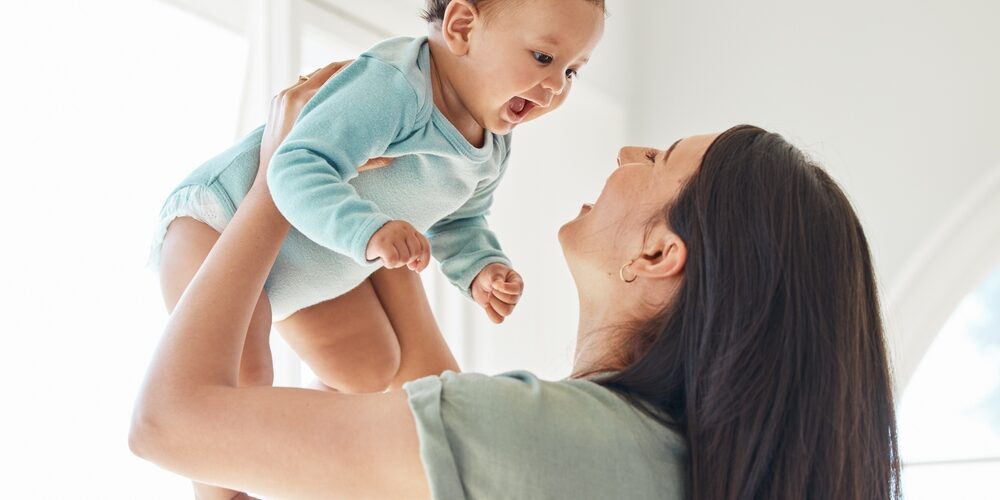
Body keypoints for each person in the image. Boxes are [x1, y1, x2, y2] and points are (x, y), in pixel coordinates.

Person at [130, 64, 901, 499]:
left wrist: (276, 178)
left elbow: (170, 425)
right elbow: (422, 391)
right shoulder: (655, 462)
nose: (631, 151)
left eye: (660, 159)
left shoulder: (547, 439)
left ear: (661, 255)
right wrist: (399, 193)